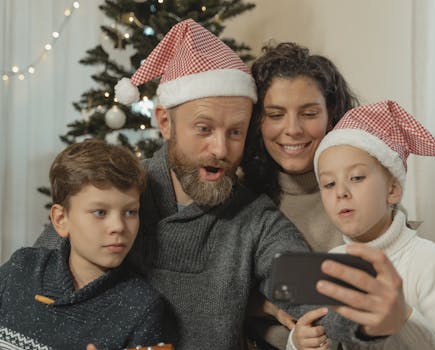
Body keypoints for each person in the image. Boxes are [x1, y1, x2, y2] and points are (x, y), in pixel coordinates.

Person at [34, 20, 385, 350]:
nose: (220, 150)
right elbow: (31, 285)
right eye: (203, 129)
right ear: (164, 122)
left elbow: (320, 297)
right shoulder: (111, 193)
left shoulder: (255, 220)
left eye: (235, 132)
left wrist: (372, 316)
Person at [288, 100, 435, 349]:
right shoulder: (333, 264)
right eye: (329, 184)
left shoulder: (428, 261)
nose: (341, 192)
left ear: (392, 190)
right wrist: (299, 342)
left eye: (356, 178)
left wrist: (402, 318)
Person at [241, 42, 360, 349]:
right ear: (257, 121)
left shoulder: (362, 193)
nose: (292, 130)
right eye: (276, 114)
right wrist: (268, 305)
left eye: (308, 113)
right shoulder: (242, 198)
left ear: (331, 114)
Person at [0, 139, 166, 349]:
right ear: (61, 220)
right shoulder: (22, 267)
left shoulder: (141, 307)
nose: (119, 226)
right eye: (100, 212)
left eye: (130, 212)